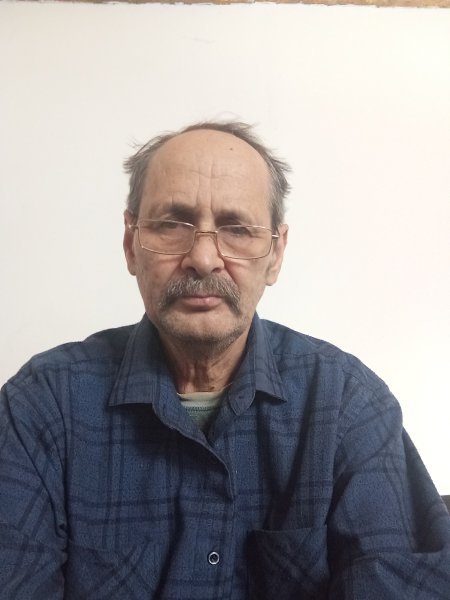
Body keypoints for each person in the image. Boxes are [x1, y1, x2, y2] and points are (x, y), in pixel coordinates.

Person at [0, 121, 449, 600]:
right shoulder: (42, 408)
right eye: (173, 224)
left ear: (275, 255)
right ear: (131, 244)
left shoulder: (348, 405)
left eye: (237, 229)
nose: (203, 257)